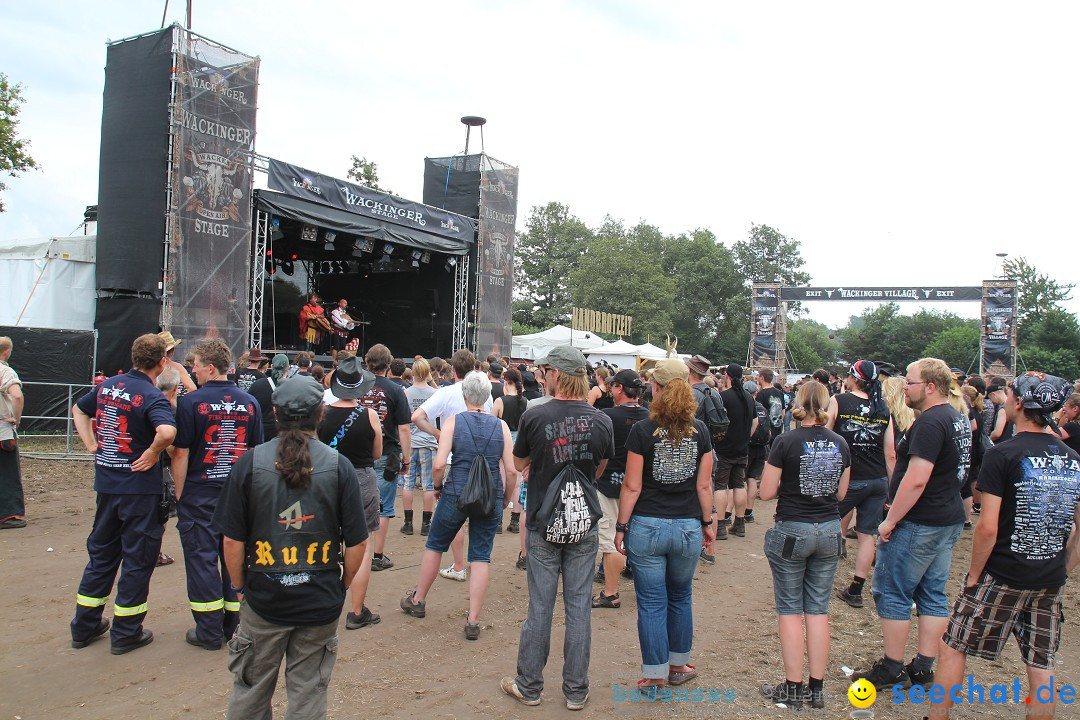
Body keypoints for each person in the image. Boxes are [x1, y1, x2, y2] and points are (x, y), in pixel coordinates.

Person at [214, 375, 368, 719]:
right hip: (319, 602)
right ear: (321, 413)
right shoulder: (339, 467)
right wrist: (340, 583)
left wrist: (241, 587)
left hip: (264, 600)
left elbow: (232, 541)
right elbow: (357, 543)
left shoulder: (249, 464)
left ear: (274, 412)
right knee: (309, 697)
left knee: (250, 694)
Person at [931, 372, 1080, 720]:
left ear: (1018, 403)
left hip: (1002, 573)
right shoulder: (1072, 457)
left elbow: (987, 527)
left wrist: (973, 576)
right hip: (1049, 576)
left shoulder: (1004, 454)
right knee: (1040, 663)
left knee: (952, 646)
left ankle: (936, 716)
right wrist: (1064, 567)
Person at [501, 346, 613, 711]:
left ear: (556, 374)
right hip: (583, 521)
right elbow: (598, 468)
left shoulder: (537, 416)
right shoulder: (601, 420)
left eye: (544, 370)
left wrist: (541, 464)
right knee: (579, 607)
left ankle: (529, 686)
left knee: (540, 607)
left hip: (542, 522)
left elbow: (519, 463)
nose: (540, 375)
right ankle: (576, 691)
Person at [853, 358, 970, 691]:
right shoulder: (956, 417)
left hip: (920, 521)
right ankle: (923, 666)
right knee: (932, 593)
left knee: (893, 591)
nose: (904, 387)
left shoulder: (931, 423)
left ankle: (892, 667)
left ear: (930, 387)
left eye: (911, 382)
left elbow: (917, 479)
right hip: (945, 518)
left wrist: (890, 520)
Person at [70, 334, 177, 654]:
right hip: (139, 491)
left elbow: (79, 408)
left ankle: (84, 626)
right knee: (137, 558)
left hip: (107, 486)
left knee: (102, 554)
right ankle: (127, 631)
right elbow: (167, 432)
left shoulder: (107, 387)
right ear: (162, 362)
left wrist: (91, 444)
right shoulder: (151, 395)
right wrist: (154, 452)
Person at [614, 359, 714, 689]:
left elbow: (632, 485)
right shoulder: (700, 431)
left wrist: (621, 526)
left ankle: (654, 674)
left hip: (648, 526)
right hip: (687, 526)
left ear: (656, 388)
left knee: (652, 602)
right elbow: (704, 485)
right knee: (681, 596)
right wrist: (708, 522)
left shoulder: (642, 430)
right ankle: (678, 666)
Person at [400, 371, 516, 640]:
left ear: (465, 396)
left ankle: (418, 600)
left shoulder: (453, 422)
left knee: (435, 545)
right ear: (488, 396)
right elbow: (510, 471)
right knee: (481, 556)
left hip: (456, 492)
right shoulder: (501, 427)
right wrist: (506, 498)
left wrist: (438, 487)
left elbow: (439, 464)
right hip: (490, 496)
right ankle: (473, 620)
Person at [758, 380, 850, 710]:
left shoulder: (786, 441)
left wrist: (791, 482)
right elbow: (841, 494)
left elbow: (766, 492)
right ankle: (817, 688)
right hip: (828, 530)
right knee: (818, 610)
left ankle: (793, 687)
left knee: (789, 610)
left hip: (792, 530)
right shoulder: (840, 442)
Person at [172, 340, 263, 651]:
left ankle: (208, 632)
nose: (192, 370)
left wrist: (181, 494)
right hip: (237, 495)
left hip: (200, 494)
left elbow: (181, 453)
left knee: (201, 560)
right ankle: (234, 626)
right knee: (235, 558)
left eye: (196, 364)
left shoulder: (191, 403)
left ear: (210, 368)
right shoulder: (250, 403)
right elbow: (254, 453)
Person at [411, 348, 492, 579]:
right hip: (482, 462)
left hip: (450, 460)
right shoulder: (486, 392)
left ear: (453, 369)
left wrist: (438, 434)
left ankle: (458, 566)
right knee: (478, 516)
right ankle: (472, 566)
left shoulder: (446, 393)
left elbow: (417, 416)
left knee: (452, 518)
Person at [316, 356, 381, 630]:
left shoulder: (321, 412)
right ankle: (356, 611)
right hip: (362, 479)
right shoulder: (370, 415)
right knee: (362, 546)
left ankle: (322, 606)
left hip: (327, 477)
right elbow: (376, 454)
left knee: (324, 542)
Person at [826, 360, 891, 610]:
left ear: (853, 378)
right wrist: (891, 488)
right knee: (867, 535)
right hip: (877, 480)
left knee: (828, 524)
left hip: (848, 477)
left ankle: (820, 578)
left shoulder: (839, 401)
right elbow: (890, 453)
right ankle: (856, 588)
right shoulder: (883, 407)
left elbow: (827, 433)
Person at [593, 368, 649, 608]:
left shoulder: (606, 416)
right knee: (637, 539)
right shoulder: (650, 417)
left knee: (610, 541)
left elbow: (596, 450)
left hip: (609, 486)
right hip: (640, 488)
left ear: (618, 388)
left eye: (613, 385)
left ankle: (611, 592)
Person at [359, 344, 412, 572]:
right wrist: (407, 459)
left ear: (367, 362)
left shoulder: (357, 387)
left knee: (353, 501)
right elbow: (405, 428)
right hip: (387, 453)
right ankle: (377, 556)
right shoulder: (395, 390)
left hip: (357, 452)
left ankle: (354, 551)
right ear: (388, 364)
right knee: (383, 505)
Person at [402, 358, 438, 536]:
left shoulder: (406, 393)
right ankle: (426, 524)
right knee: (428, 485)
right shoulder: (434, 393)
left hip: (410, 441)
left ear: (413, 373)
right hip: (429, 441)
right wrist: (431, 380)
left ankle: (408, 523)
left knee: (408, 483)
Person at [493, 366, 529, 535]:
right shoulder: (525, 402)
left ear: (507, 382)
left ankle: (498, 520)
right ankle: (514, 520)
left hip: (502, 441)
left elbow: (492, 424)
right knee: (517, 483)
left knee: (500, 480)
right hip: (519, 443)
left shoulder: (500, 401)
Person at [0, 336, 26, 529]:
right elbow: (16, 395)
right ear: (7, 352)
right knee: (7, 473)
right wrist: (16, 418)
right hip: (2, 432)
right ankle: (8, 515)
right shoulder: (5, 370)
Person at [247, 354, 289, 443]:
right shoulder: (294, 387)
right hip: (286, 435)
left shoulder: (258, 385)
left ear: (271, 366)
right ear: (288, 368)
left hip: (261, 433)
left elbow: (248, 408)